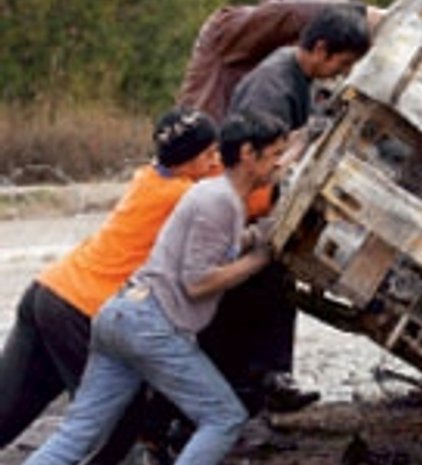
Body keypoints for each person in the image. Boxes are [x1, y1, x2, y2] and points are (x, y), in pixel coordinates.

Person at [22, 110, 288, 465]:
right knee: (224, 417)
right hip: (149, 325)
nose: (280, 165)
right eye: (275, 155)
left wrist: (254, 237)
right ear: (247, 154)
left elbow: (212, 247)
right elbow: (197, 283)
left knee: (77, 434)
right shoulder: (219, 200)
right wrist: (261, 259)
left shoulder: (212, 194)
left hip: (121, 315)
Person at [0, 107, 220, 462]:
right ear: (186, 160)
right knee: (115, 423)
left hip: (49, 291)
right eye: (209, 154)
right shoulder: (181, 197)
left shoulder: (149, 178)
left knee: (8, 408)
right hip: (80, 312)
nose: (215, 161)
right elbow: (243, 197)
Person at [198, 4, 372, 415]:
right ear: (321, 49)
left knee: (267, 288)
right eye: (342, 63)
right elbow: (259, 158)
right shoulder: (273, 87)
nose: (341, 72)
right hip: (247, 202)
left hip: (253, 199)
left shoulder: (294, 73)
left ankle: (262, 383)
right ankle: (248, 388)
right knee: (247, 296)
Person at [178, 0, 384, 123]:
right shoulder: (226, 31)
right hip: (205, 154)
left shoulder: (288, 58)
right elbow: (288, 12)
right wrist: (361, 14)